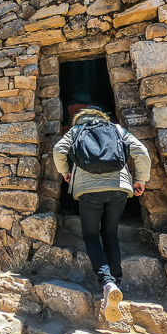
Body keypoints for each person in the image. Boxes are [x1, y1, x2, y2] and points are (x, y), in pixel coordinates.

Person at [52, 106, 151, 322]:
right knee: (110, 233)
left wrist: (66, 172)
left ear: (79, 118)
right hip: (119, 188)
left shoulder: (75, 131)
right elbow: (141, 151)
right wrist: (140, 180)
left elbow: (58, 149)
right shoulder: (116, 129)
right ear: (102, 116)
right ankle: (115, 280)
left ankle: (108, 283)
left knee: (90, 235)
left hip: (88, 190)